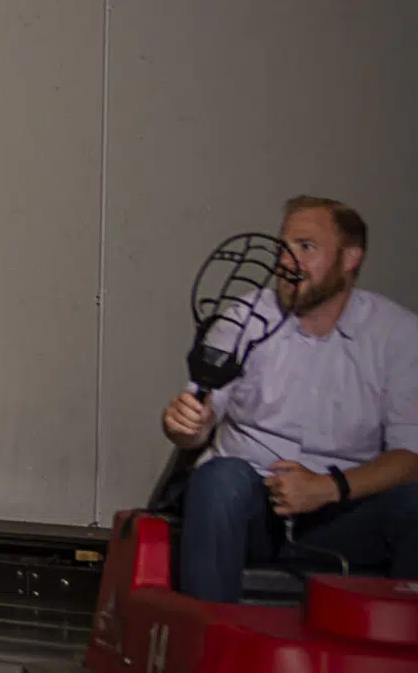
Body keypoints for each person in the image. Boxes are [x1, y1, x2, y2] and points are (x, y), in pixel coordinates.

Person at [160, 196, 418, 599]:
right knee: (219, 479)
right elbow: (199, 424)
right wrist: (186, 426)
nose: (286, 260)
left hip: (343, 510)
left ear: (350, 259)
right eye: (284, 246)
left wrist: (330, 488)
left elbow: (410, 458)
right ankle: (212, 642)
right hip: (252, 507)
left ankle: (399, 655)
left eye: (306, 247)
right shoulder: (243, 317)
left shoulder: (398, 335)